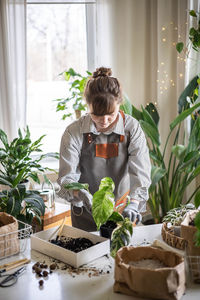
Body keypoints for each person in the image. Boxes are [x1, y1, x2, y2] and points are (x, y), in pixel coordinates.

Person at [57, 67, 151, 231]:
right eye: (97, 115)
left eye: (110, 114)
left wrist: (134, 204)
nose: (104, 121)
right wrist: (80, 194)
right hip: (84, 215)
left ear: (119, 104)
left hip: (122, 211)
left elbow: (140, 172)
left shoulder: (132, 128)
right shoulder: (73, 132)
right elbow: (66, 178)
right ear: (88, 106)